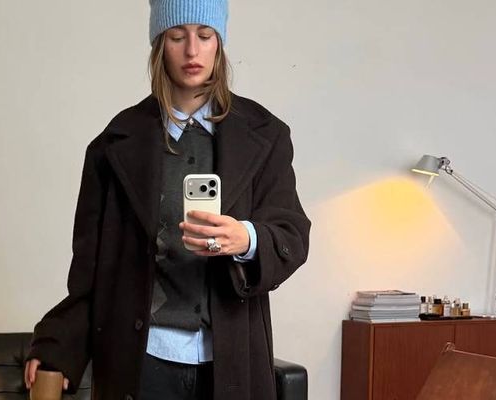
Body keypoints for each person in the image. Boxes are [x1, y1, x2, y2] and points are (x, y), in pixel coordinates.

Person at [24, 1, 311, 399]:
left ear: (219, 43)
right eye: (177, 36)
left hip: (232, 358)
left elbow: (292, 235)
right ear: (160, 45)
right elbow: (90, 268)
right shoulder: (114, 144)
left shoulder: (266, 135)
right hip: (143, 362)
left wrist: (246, 239)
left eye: (204, 35)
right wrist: (58, 343)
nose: (192, 50)